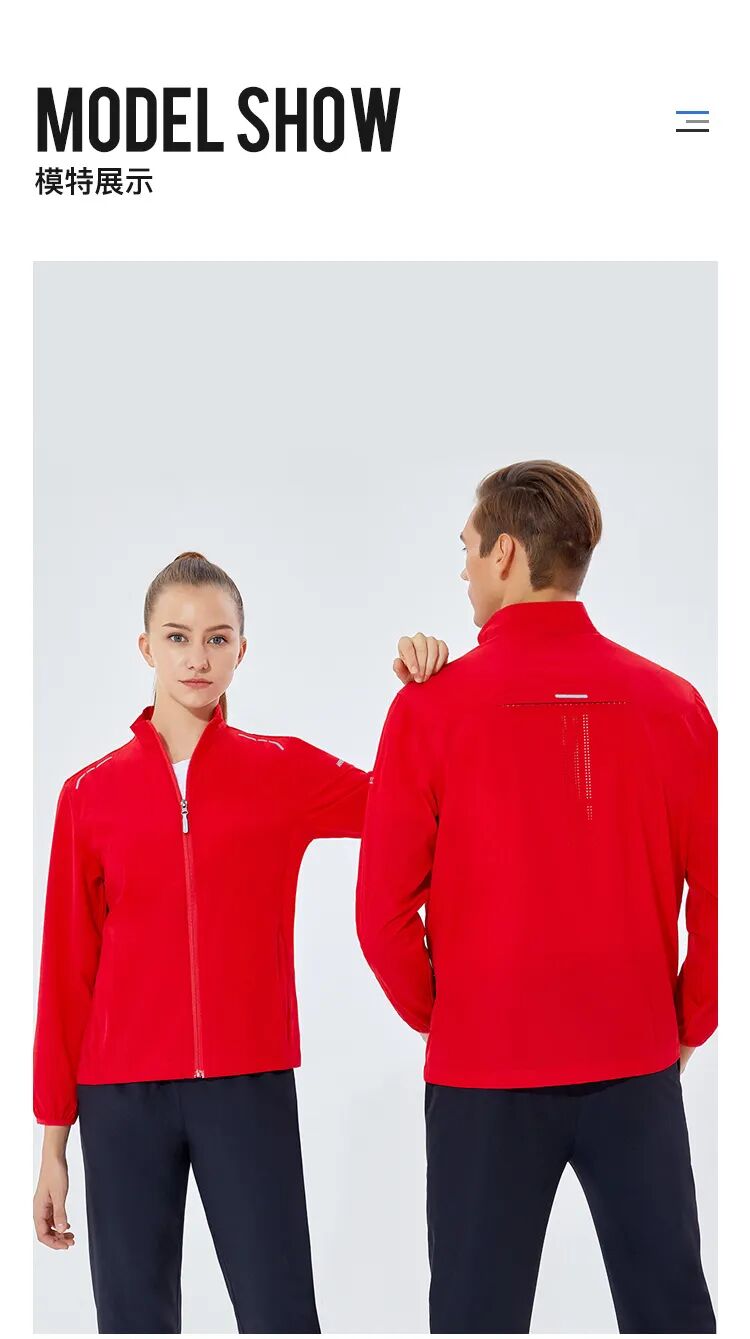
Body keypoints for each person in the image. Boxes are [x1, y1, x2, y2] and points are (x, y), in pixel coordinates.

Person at [33, 550, 449, 1336]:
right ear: (145, 646)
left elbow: (409, 805)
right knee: (132, 1320)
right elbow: (65, 973)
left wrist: (427, 698)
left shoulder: (281, 769)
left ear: (242, 650)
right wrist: (53, 1142)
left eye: (217, 638)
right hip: (120, 1099)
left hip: (248, 1086)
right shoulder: (88, 795)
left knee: (280, 1314)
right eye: (178, 636)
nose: (197, 656)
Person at [356, 461, 717, 1335]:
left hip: (484, 1068)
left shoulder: (430, 710)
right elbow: (721, 896)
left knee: (476, 1317)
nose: (463, 571)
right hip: (635, 1062)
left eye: (468, 551)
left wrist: (449, 1013)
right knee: (669, 1313)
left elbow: (381, 913)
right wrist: (686, 1022)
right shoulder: (673, 704)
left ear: (506, 553)